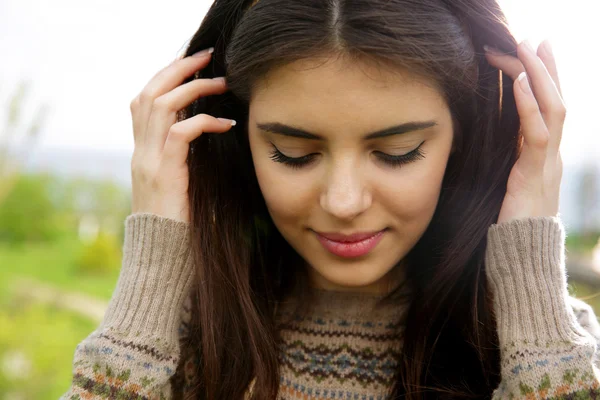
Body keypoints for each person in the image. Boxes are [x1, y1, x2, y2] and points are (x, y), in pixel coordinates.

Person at [60, 0, 600, 398]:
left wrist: (531, 254)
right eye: (294, 153)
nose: (344, 202)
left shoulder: (544, 340)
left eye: (398, 151)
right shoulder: (181, 336)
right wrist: (153, 262)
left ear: (463, 140)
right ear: (234, 137)